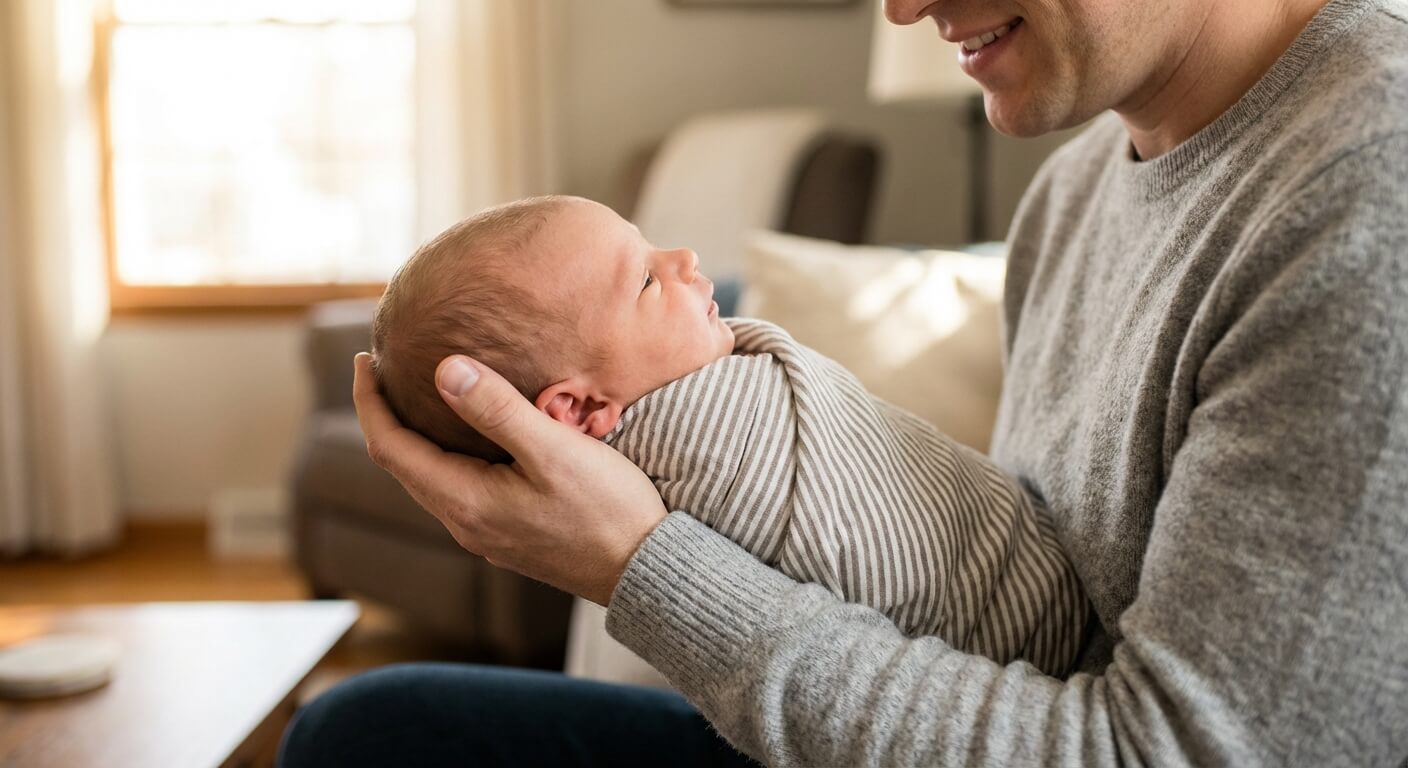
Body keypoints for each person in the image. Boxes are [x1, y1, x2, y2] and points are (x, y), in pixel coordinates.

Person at [279, 0, 1408, 764]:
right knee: (374, 731)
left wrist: (638, 564)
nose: (904, 9)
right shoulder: (1073, 192)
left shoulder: (1365, 194)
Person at [371, 194, 1087, 674]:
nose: (683, 260)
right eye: (646, 281)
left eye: (652, 249)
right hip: (1023, 634)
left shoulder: (692, 387)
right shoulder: (705, 449)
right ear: (578, 411)